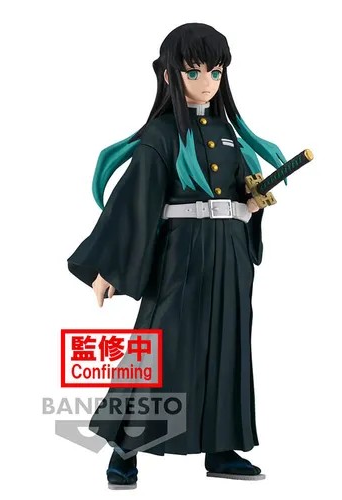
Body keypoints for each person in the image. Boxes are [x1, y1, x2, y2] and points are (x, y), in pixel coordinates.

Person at [67, 22, 287, 489]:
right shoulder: (162, 134)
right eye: (194, 72)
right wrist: (110, 266)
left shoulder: (229, 134)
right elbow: (136, 200)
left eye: (216, 72)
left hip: (230, 254)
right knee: (159, 347)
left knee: (228, 343)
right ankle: (124, 449)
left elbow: (241, 193)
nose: (207, 82)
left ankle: (222, 447)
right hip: (180, 253)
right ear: (169, 75)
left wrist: (252, 203)